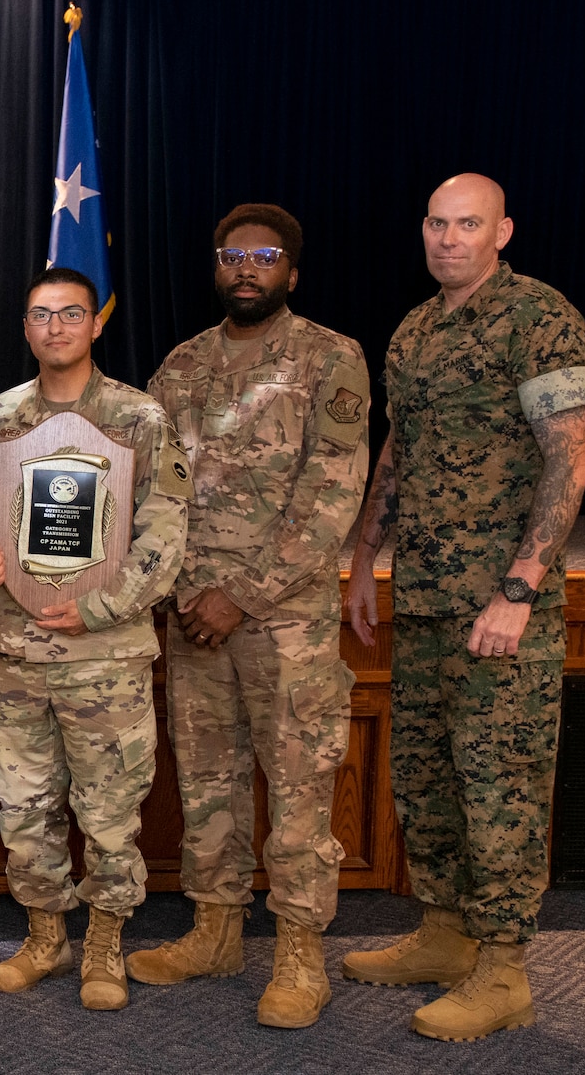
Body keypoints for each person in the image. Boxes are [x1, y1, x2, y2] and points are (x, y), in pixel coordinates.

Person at [342, 174, 585, 1042]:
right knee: (425, 776)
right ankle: (447, 933)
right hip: (422, 599)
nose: (450, 239)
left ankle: (504, 969)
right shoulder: (416, 329)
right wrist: (363, 561)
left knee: (502, 788)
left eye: (469, 225)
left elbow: (572, 465)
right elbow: (398, 452)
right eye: (438, 224)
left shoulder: (540, 318)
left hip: (500, 609)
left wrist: (520, 590)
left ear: (503, 231)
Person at [132, 204, 369, 1028]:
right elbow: (155, 490)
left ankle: (300, 952)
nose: (245, 268)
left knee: (299, 787)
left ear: (291, 273)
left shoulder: (330, 359)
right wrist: (179, 593)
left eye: (263, 256)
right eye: (232, 254)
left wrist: (242, 595)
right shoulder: (180, 366)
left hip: (284, 625)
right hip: (193, 620)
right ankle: (216, 929)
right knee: (207, 782)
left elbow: (330, 497)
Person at [0, 267, 189, 1011]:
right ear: (25, 329)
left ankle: (103, 942)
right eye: (40, 315)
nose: (56, 327)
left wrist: (101, 606)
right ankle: (44, 936)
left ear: (97, 324)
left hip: (106, 655)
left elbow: (164, 534)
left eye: (71, 313)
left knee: (109, 810)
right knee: (24, 807)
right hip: (16, 646)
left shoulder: (140, 419)